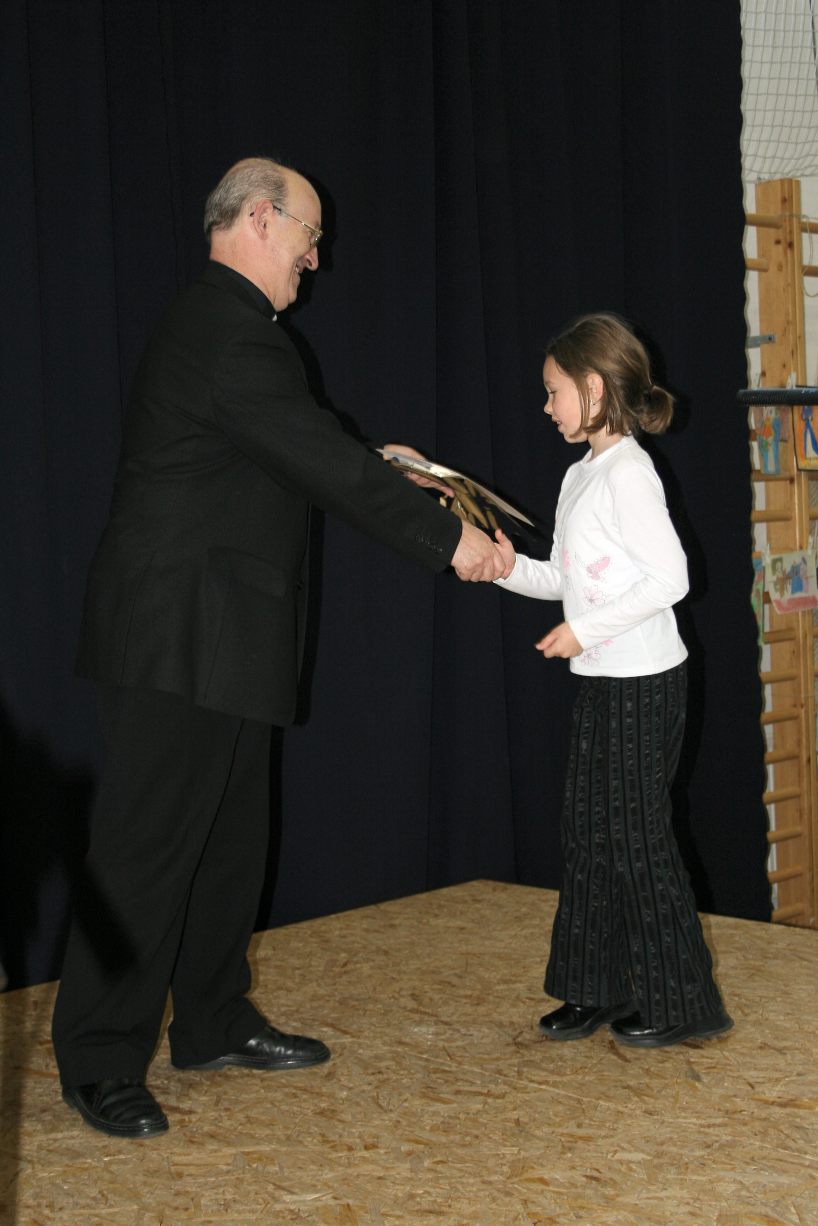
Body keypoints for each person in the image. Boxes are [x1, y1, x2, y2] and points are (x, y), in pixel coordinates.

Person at [52, 156, 506, 1139]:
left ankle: (212, 1021)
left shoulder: (230, 333)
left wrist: (374, 461)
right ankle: (96, 1056)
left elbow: (287, 443)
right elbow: (305, 452)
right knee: (144, 854)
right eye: (309, 233)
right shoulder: (228, 331)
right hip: (178, 638)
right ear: (260, 218)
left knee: (228, 847)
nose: (316, 255)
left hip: (217, 638)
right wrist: (449, 539)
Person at [494, 312, 732, 1048]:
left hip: (646, 684)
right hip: (605, 681)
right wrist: (503, 567)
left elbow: (671, 578)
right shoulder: (580, 474)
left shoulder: (631, 472)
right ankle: (596, 988)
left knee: (637, 840)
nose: (546, 406)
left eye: (554, 391)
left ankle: (685, 1002)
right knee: (589, 833)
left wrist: (585, 631)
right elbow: (566, 579)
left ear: (594, 390)